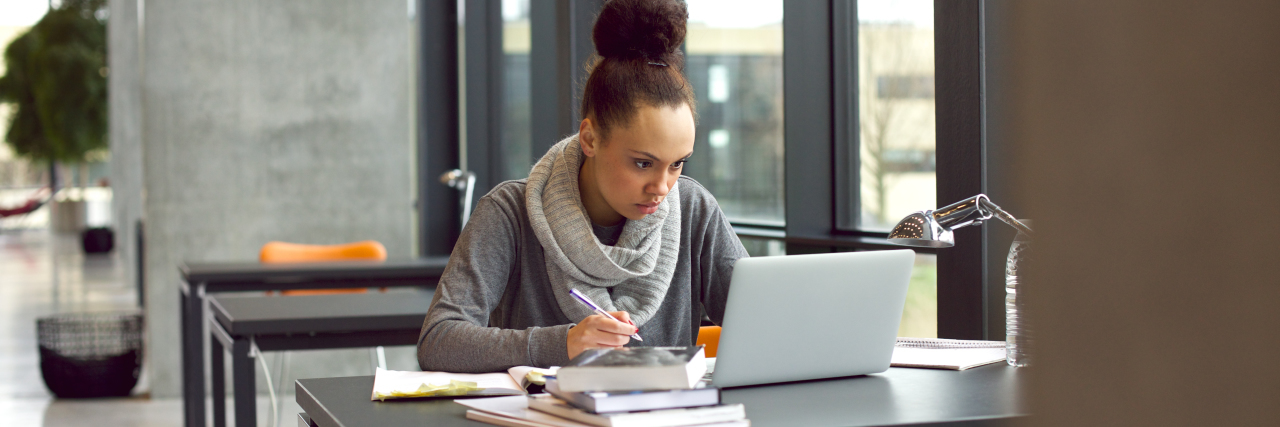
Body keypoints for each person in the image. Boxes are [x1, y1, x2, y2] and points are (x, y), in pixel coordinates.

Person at [417, 0, 748, 373]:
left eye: (677, 164)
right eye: (643, 163)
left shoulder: (694, 209)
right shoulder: (510, 212)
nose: (661, 186)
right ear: (590, 139)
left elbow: (762, 324)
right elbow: (439, 342)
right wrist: (564, 342)